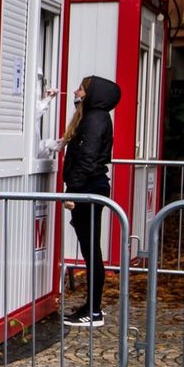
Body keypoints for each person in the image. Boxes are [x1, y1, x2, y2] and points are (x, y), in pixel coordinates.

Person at [60, 75, 121, 327]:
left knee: (91, 250)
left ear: (91, 93)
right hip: (89, 186)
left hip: (88, 188)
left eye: (81, 88)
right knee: (89, 249)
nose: (76, 92)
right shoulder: (95, 117)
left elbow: (87, 157)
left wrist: (73, 189)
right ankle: (91, 306)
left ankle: (93, 311)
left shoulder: (94, 119)